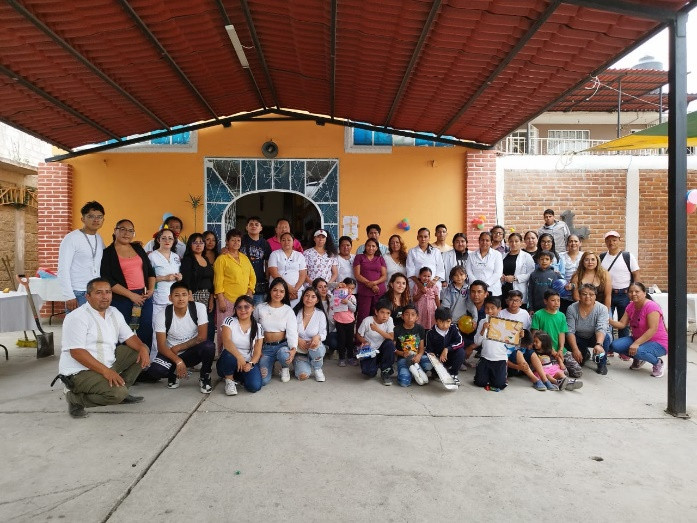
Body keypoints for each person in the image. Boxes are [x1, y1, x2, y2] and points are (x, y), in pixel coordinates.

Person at [58, 278, 150, 418]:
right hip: (79, 372)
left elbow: (129, 337)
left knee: (141, 350)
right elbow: (77, 352)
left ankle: (122, 389)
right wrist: (107, 372)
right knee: (117, 394)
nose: (105, 296)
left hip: (107, 363)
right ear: (87, 296)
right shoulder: (77, 317)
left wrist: (143, 348)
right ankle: (75, 399)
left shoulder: (114, 312)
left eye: (108, 292)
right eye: (99, 293)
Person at [147, 281, 214, 392]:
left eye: (184, 294)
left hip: (191, 352)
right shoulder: (162, 314)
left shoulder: (199, 308)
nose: (181, 299)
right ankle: (173, 373)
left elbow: (202, 337)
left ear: (189, 296)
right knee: (156, 371)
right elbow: (161, 346)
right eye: (176, 295)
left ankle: (205, 376)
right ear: (170, 298)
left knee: (209, 346)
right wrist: (178, 361)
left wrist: (179, 347)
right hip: (171, 352)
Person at [100, 219, 155, 348]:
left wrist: (151, 290)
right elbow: (108, 280)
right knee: (122, 331)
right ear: (115, 231)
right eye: (123, 229)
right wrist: (131, 295)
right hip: (122, 297)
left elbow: (150, 272)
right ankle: (124, 362)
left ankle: (145, 362)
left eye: (130, 231)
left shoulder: (137, 248)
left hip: (143, 296)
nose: (126, 233)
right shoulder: (108, 253)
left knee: (146, 329)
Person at [609, 282, 667, 378]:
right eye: (631, 292)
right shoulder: (631, 306)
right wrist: (608, 320)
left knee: (639, 351)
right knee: (615, 346)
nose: (633, 294)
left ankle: (658, 363)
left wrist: (636, 344)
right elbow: (622, 324)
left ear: (644, 293)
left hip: (658, 342)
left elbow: (652, 329)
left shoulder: (651, 306)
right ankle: (638, 358)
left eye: (637, 291)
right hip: (638, 339)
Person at [57, 201, 106, 311]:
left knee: (95, 326)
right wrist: (69, 296)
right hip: (77, 292)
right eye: (91, 216)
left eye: (99, 217)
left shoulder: (99, 238)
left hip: (95, 292)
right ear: (83, 219)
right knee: (78, 327)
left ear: (103, 220)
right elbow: (63, 269)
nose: (96, 220)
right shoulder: (71, 238)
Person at [214, 229, 256, 351]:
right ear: (227, 242)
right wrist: (221, 299)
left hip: (243, 300)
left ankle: (241, 354)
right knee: (225, 328)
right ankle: (223, 355)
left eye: (238, 240)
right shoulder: (222, 259)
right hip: (227, 299)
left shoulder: (244, 258)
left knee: (241, 328)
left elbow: (252, 277)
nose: (236, 242)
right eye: (233, 240)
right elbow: (218, 281)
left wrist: (249, 292)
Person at [216, 295, 264, 396]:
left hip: (247, 362)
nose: (243, 310)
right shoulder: (229, 321)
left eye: (246, 307)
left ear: (252, 308)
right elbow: (227, 341)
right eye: (239, 307)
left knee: (254, 386)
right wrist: (239, 357)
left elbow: (257, 351)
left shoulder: (258, 327)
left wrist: (251, 364)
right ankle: (229, 380)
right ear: (235, 309)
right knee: (229, 354)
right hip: (229, 359)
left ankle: (238, 376)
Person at [255, 277, 298, 385]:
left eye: (281, 291)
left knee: (284, 355)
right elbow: (254, 328)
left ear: (285, 294)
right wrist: (257, 350)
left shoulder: (288, 310)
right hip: (266, 348)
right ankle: (271, 364)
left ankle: (285, 368)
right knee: (263, 380)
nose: (278, 293)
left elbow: (292, 331)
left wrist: (293, 348)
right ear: (270, 290)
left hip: (281, 346)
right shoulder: (260, 308)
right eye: (275, 290)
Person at [531, 289, 583, 378]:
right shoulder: (538, 315)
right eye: (553, 300)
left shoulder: (561, 315)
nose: (556, 303)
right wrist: (552, 351)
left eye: (558, 300)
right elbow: (535, 336)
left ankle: (557, 368)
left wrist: (561, 349)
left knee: (578, 372)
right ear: (545, 301)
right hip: (545, 351)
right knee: (564, 374)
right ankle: (555, 371)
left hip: (560, 350)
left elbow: (562, 333)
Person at [600, 231, 641, 340]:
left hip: (624, 294)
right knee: (607, 321)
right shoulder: (602, 257)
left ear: (619, 241)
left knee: (624, 323)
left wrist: (636, 293)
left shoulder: (627, 256)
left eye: (614, 240)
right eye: (608, 240)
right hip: (608, 294)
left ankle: (623, 349)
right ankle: (609, 347)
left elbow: (636, 274)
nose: (611, 242)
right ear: (605, 242)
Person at [566, 284, 611, 375]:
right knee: (569, 342)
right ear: (579, 295)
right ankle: (584, 354)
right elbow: (570, 330)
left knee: (605, 338)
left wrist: (598, 344)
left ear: (595, 296)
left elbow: (601, 327)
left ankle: (601, 362)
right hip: (580, 337)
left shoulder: (602, 309)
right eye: (584, 294)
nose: (588, 297)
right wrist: (575, 349)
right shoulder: (572, 308)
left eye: (591, 294)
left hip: (596, 337)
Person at [180, 233, 215, 341]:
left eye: (201, 242)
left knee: (208, 326)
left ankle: (207, 352)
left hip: (207, 297)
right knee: (194, 326)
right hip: (194, 296)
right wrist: (189, 298)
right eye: (195, 242)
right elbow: (186, 280)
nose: (198, 245)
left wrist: (211, 299)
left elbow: (211, 280)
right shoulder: (188, 260)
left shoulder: (206, 259)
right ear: (190, 244)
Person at [148, 228, 183, 337]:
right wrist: (164, 278)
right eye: (164, 238)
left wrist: (179, 277)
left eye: (170, 238)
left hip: (174, 298)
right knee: (158, 331)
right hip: (159, 299)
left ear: (174, 241)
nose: (167, 241)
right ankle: (156, 354)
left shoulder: (175, 257)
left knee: (173, 330)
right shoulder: (152, 256)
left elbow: (178, 273)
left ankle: (171, 353)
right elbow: (147, 278)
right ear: (158, 240)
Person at [356, 299, 395, 386]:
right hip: (370, 350)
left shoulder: (389, 320)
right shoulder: (367, 320)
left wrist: (377, 329)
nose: (385, 316)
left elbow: (391, 337)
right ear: (376, 312)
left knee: (390, 344)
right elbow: (358, 335)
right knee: (369, 373)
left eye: (388, 313)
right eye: (382, 312)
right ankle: (375, 362)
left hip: (382, 350)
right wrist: (364, 341)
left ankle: (386, 371)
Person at [292, 287, 328, 381]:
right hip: (300, 350)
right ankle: (303, 362)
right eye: (307, 296)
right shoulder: (295, 312)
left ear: (317, 300)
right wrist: (298, 340)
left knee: (316, 347)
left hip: (315, 347)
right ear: (302, 297)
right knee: (302, 376)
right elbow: (289, 331)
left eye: (313, 297)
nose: (309, 299)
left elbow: (323, 332)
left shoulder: (320, 314)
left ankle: (317, 368)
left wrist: (317, 337)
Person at [473, 297, 508, 391]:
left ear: (499, 309)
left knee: (499, 385)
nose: (489, 311)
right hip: (485, 357)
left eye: (493, 308)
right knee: (479, 382)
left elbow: (512, 344)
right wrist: (483, 329)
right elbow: (477, 342)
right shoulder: (482, 322)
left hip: (500, 359)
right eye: (487, 308)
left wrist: (518, 336)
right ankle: (487, 376)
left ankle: (501, 376)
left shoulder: (505, 323)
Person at [425, 307, 465, 385]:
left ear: (451, 320)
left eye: (448, 322)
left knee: (461, 352)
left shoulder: (453, 328)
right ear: (436, 321)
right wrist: (430, 354)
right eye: (441, 322)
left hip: (449, 357)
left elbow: (460, 342)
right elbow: (427, 349)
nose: (445, 325)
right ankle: (436, 373)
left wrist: (447, 349)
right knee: (429, 362)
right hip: (438, 360)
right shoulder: (430, 333)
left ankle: (453, 374)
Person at [353, 238, 387, 328]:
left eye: (373, 246)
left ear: (376, 248)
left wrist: (374, 283)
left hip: (379, 291)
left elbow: (384, 276)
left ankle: (376, 338)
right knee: (363, 316)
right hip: (364, 291)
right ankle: (359, 340)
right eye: (368, 245)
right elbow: (357, 274)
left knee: (377, 316)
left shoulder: (380, 259)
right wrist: (370, 284)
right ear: (365, 246)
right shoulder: (359, 257)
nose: (371, 248)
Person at [394, 304, 431, 387]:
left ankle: (417, 369)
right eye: (407, 314)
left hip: (417, 357)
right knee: (404, 382)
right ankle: (411, 372)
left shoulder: (420, 328)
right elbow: (394, 349)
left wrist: (419, 355)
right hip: (404, 359)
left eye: (413, 314)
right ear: (402, 316)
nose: (410, 317)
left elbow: (421, 348)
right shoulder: (397, 329)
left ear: (417, 317)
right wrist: (402, 353)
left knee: (429, 364)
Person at [268, 231, 306, 307]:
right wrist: (288, 287)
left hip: (296, 291)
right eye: (283, 240)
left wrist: (295, 290)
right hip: (278, 290)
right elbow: (274, 273)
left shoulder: (299, 256)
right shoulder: (274, 254)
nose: (286, 242)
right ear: (280, 242)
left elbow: (303, 275)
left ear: (293, 242)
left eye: (289, 240)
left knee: (294, 313)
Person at [240, 216, 272, 305]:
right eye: (251, 224)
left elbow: (267, 263)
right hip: (242, 282)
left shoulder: (265, 243)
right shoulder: (241, 240)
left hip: (259, 283)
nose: (253, 226)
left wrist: (267, 278)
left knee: (259, 312)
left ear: (261, 228)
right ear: (247, 227)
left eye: (256, 224)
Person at [406, 228, 445, 293]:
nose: (423, 239)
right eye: (420, 236)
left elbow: (440, 269)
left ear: (429, 238)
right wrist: (420, 285)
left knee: (433, 303)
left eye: (425, 236)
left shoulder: (436, 251)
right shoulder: (412, 252)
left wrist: (433, 281)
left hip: (433, 286)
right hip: (417, 286)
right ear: (417, 237)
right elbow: (410, 271)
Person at [501, 233, 535, 306]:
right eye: (511, 241)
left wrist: (515, 278)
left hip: (518, 289)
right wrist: (502, 277)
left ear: (521, 242)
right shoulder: (503, 256)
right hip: (504, 289)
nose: (513, 244)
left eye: (516, 241)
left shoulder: (526, 256)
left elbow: (531, 274)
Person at [466, 231, 503, 299]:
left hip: (493, 290)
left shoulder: (497, 255)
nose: (484, 242)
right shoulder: (471, 255)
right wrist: (477, 286)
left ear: (491, 242)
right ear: (479, 241)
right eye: (482, 240)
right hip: (475, 291)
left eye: (487, 240)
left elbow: (498, 273)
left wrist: (484, 285)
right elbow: (468, 272)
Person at [331, 278, 357, 367]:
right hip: (339, 321)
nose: (350, 290)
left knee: (350, 341)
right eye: (348, 287)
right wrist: (338, 285)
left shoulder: (352, 297)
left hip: (350, 322)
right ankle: (341, 358)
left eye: (352, 289)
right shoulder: (336, 294)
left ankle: (350, 357)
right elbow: (329, 286)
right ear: (343, 285)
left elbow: (354, 309)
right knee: (341, 340)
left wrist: (348, 302)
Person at [314, 277, 338, 360]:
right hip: (316, 333)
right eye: (320, 287)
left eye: (325, 286)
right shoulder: (312, 301)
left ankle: (330, 349)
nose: (324, 289)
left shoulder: (333, 299)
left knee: (335, 343)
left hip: (331, 331)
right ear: (315, 289)